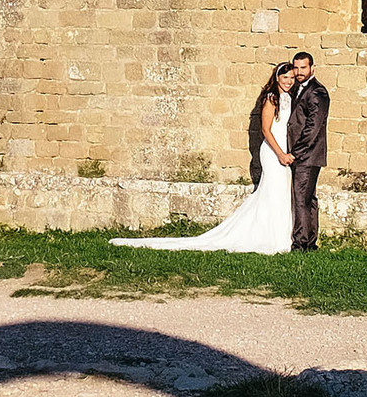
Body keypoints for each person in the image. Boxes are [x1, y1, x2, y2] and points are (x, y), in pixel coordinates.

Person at [110, 61, 299, 254]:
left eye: (292, 78)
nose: (289, 81)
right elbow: (266, 130)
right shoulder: (271, 98)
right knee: (273, 191)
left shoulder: (289, 97)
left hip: (284, 150)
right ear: (277, 78)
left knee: (280, 192)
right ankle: (269, 237)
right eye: (285, 78)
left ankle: (282, 234)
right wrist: (280, 154)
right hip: (273, 151)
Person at [284, 50, 330, 252]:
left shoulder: (317, 92)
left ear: (312, 68)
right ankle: (310, 242)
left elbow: (313, 127)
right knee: (308, 198)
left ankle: (300, 244)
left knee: (302, 198)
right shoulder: (300, 88)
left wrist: (296, 152)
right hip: (307, 155)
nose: (299, 71)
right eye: (296, 67)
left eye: (303, 67)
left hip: (307, 155)